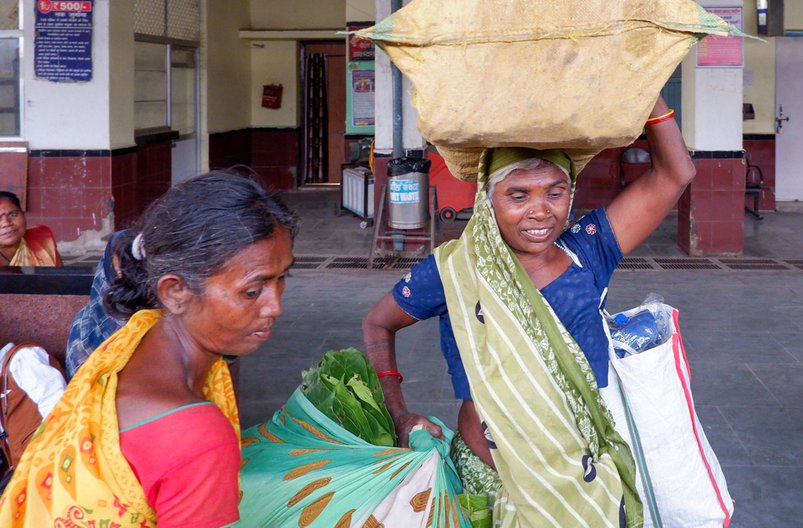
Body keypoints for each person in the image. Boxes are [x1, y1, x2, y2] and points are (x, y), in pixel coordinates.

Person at [363, 96, 695, 527]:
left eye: (555, 193)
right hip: (486, 480)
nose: (540, 211)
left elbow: (676, 173)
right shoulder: (455, 269)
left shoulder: (587, 251)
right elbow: (378, 322)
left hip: (579, 478)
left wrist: (645, 85)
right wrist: (399, 414)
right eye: (518, 195)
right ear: (488, 198)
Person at [0, 170, 298, 527]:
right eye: (253, 291)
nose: (275, 306)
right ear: (175, 292)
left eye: (282, 279)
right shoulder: (196, 436)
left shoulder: (134, 340)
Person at [65, 230, 128, 378]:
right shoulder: (88, 324)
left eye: (134, 263)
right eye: (120, 265)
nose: (126, 272)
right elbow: (79, 385)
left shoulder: (165, 316)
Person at [0, 191, 62, 266]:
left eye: (13, 215)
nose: (6, 223)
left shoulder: (41, 242)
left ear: (23, 215)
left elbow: (59, 276)